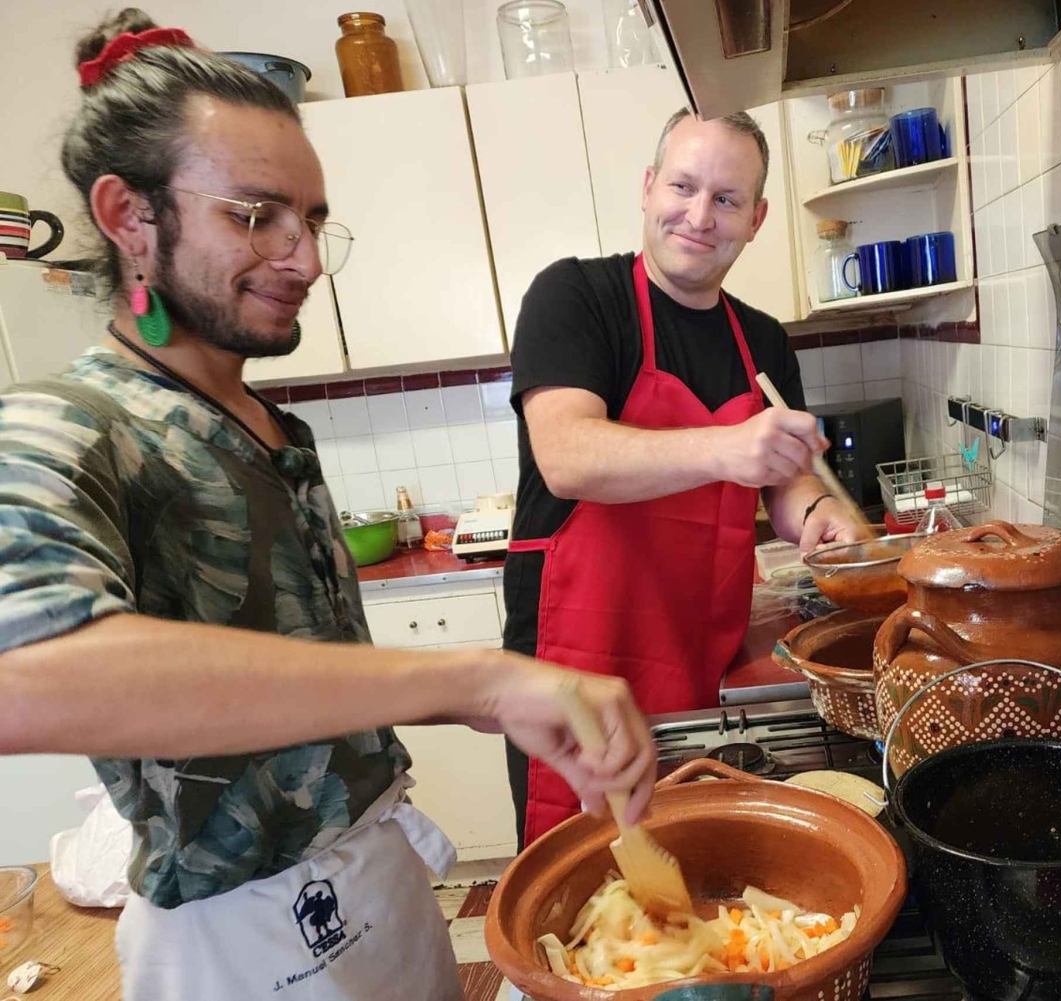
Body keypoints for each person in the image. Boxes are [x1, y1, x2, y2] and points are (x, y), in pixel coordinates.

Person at [0, 12, 655, 1000]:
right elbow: (21, 678)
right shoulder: (66, 423)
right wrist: (473, 678)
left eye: (311, 220)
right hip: (235, 935)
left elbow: (310, 684)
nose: (304, 258)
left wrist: (495, 695)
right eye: (256, 216)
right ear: (130, 217)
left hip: (378, 880)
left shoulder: (271, 426)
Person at [502, 107, 864, 845]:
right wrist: (725, 447)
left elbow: (788, 479)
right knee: (588, 875)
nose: (699, 215)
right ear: (647, 187)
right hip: (579, 663)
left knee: (690, 856)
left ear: (756, 218)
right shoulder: (576, 297)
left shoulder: (761, 339)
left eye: (726, 199)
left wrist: (819, 510)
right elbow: (567, 455)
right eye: (683, 186)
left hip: (699, 658)